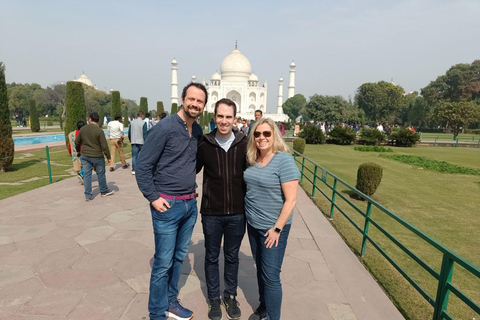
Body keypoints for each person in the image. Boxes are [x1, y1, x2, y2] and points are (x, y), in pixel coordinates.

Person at [136, 82, 207, 320]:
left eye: (200, 101)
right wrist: (153, 197)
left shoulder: (196, 131)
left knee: (178, 258)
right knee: (163, 263)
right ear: (182, 98)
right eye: (192, 99)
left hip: (189, 205)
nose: (195, 104)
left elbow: (190, 163)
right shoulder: (164, 128)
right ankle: (157, 313)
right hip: (167, 205)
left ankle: (170, 303)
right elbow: (143, 165)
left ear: (203, 106)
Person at [196, 98, 247, 320]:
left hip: (237, 212)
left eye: (228, 117)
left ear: (234, 119)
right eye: (220, 116)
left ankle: (230, 296)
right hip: (212, 212)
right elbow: (191, 169)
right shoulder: (204, 143)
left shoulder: (245, 143)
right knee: (211, 256)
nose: (224, 121)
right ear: (214, 117)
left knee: (232, 256)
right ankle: (214, 299)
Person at [244, 117, 299, 320]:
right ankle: (264, 307)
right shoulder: (252, 158)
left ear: (274, 135)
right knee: (261, 270)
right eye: (257, 134)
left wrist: (277, 229)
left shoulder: (283, 160)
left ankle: (273, 317)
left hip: (273, 228)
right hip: (254, 225)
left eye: (266, 133)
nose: (261, 138)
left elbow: (291, 200)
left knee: (271, 276)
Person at [75, 112, 113, 201]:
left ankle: (88, 195)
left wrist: (78, 151)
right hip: (97, 156)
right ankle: (103, 191)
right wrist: (108, 157)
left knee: (87, 175)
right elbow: (104, 146)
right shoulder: (99, 131)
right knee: (100, 174)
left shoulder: (83, 129)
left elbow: (77, 142)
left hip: (85, 155)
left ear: (90, 119)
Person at [128, 111, 147, 175]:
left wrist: (130, 139)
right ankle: (142, 169)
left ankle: (134, 170)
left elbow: (129, 132)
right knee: (142, 156)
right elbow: (144, 133)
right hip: (141, 141)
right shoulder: (143, 123)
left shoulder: (132, 122)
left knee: (134, 156)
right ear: (142, 116)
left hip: (134, 141)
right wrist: (146, 141)